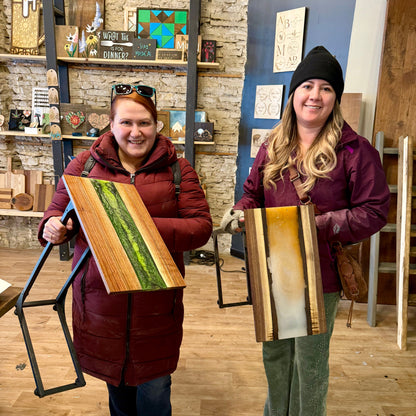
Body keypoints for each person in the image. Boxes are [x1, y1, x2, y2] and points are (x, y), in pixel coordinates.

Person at [221, 46, 390, 416]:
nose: (315, 95)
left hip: (321, 271)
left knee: (310, 362)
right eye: (307, 86)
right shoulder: (273, 145)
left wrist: (317, 227)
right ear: (294, 93)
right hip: (273, 267)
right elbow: (253, 193)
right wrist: (238, 211)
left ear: (336, 98)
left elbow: (375, 212)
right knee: (277, 353)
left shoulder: (356, 152)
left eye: (326, 88)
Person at [39, 84, 213, 416]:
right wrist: (53, 227)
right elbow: (56, 212)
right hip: (102, 300)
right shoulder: (84, 166)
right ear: (112, 123)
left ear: (157, 124)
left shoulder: (178, 170)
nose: (136, 132)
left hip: (156, 300)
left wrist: (134, 224)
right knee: (116, 385)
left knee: (155, 388)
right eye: (126, 123)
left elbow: (200, 228)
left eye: (144, 123)